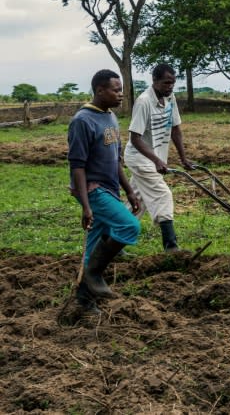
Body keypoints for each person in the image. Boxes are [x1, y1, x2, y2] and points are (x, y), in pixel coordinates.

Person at [68, 69, 141, 311]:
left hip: (110, 188)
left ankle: (83, 302)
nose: (121, 94)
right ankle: (95, 274)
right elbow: (77, 165)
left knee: (95, 243)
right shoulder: (82, 121)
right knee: (129, 226)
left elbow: (115, 160)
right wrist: (86, 205)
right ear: (100, 91)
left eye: (121, 90)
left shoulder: (110, 117)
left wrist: (129, 191)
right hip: (93, 189)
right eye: (116, 90)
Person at [124, 63, 194, 253]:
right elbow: (135, 138)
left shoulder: (170, 98)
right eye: (165, 83)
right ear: (154, 81)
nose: (170, 87)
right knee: (163, 194)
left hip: (154, 158)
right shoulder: (144, 101)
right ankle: (170, 246)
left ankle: (111, 240)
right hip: (139, 157)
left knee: (138, 200)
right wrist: (156, 160)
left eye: (172, 83)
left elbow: (175, 129)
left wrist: (183, 158)